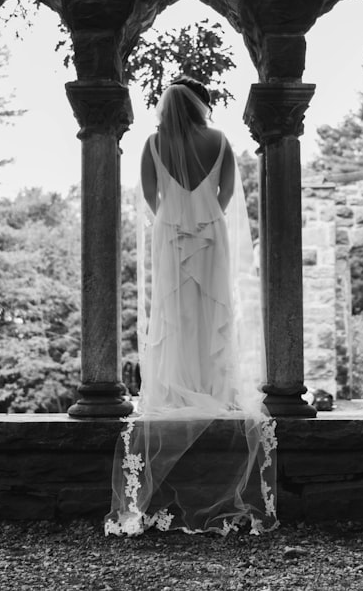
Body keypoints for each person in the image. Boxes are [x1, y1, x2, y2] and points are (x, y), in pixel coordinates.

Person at [105, 77, 278, 536]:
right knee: (211, 311)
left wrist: (176, 210)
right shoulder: (220, 141)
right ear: (202, 103)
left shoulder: (153, 144)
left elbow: (148, 197)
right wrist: (200, 210)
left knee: (174, 312)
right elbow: (225, 197)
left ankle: (179, 388)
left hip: (170, 234)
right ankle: (212, 386)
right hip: (210, 232)